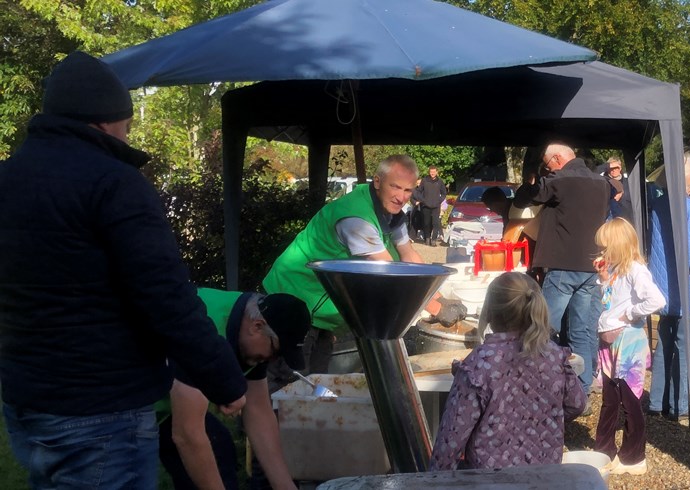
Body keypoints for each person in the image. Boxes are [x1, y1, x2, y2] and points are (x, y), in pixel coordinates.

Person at [0, 51, 248, 489]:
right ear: (104, 121)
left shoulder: (9, 178)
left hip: (28, 398)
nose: (126, 134)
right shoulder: (114, 182)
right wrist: (224, 378)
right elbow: (164, 294)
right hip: (100, 405)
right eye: (126, 125)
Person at [262, 155, 464, 373]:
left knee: (318, 380)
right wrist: (436, 309)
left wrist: (439, 296)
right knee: (289, 380)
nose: (401, 197)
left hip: (320, 309)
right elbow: (392, 276)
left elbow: (408, 255)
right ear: (377, 182)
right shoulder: (355, 218)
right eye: (395, 187)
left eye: (407, 190)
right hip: (292, 299)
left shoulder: (391, 213)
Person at [430, 272, 587, 470]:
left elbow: (450, 442)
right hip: (544, 477)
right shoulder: (554, 355)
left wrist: (434, 479)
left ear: (489, 312)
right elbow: (577, 404)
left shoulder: (479, 364)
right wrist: (541, 420)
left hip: (491, 480)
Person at [158, 289, 311, 490]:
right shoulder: (205, 330)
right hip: (129, 403)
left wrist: (285, 487)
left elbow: (258, 411)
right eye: (275, 351)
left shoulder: (250, 330)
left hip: (167, 401)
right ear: (257, 326)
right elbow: (187, 435)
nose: (273, 359)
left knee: (218, 447)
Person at [516, 143, 613, 393]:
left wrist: (531, 180)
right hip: (591, 265)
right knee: (581, 329)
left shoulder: (559, 180)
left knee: (545, 326)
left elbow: (524, 198)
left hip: (563, 265)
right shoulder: (601, 183)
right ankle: (583, 388)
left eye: (548, 165)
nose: (548, 170)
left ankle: (538, 383)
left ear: (558, 159)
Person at [591, 218, 665, 475]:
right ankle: (604, 451)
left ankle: (634, 457)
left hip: (628, 341)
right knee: (610, 400)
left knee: (630, 400)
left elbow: (656, 300)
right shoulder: (615, 270)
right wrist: (603, 280)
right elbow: (610, 303)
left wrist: (631, 314)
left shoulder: (635, 269)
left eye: (605, 247)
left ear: (618, 245)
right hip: (610, 341)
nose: (602, 252)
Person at [647, 153, 690, 421]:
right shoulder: (689, 208)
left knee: (665, 344)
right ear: (682, 174)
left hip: (664, 285)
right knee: (685, 348)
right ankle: (680, 406)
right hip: (687, 288)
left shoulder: (659, 204)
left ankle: (657, 403)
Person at [413, 166, 448, 246]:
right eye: (431, 172)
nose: (432, 173)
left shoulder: (440, 181)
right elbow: (418, 192)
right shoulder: (424, 180)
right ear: (429, 172)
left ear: (437, 172)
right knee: (426, 223)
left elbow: (444, 193)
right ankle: (427, 238)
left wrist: (439, 200)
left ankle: (433, 240)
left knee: (435, 224)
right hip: (426, 206)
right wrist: (423, 200)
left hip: (436, 206)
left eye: (434, 172)